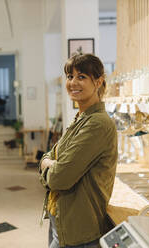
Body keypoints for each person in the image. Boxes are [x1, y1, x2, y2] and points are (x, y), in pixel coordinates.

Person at [39, 54, 118, 248]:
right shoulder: (81, 118)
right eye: (69, 76)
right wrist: (49, 162)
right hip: (63, 219)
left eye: (81, 76)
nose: (73, 82)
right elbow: (52, 156)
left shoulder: (97, 123)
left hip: (79, 231)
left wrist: (46, 165)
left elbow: (60, 178)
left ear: (98, 81)